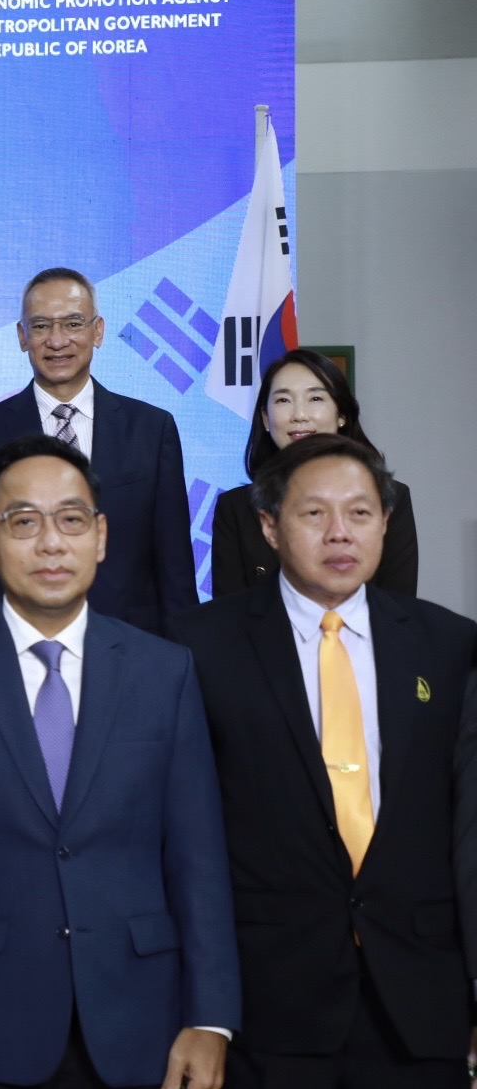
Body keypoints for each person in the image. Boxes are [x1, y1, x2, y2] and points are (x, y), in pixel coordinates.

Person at [0, 436, 238, 1089]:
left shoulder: (165, 671)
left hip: (142, 1021)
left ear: (100, 536)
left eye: (71, 520)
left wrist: (210, 1018)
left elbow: (199, 858)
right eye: (24, 522)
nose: (51, 543)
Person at [167, 434, 477, 1088]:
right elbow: (183, 837)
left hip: (422, 1004)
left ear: (385, 522)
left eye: (360, 513)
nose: (340, 532)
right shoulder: (198, 646)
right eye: (314, 513)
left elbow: (468, 832)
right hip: (269, 1006)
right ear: (269, 526)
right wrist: (203, 1009)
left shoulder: (448, 645)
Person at [0, 268, 197, 634]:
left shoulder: (151, 429)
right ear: (22, 336)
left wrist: (183, 653)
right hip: (18, 643)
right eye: (41, 326)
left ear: (98, 331)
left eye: (73, 324)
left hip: (131, 641)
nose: (57, 340)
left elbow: (175, 566)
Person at [209, 348, 419, 597]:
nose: (299, 415)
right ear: (265, 418)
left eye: (315, 398)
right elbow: (229, 612)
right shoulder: (235, 508)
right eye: (283, 400)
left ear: (341, 414)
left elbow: (397, 606)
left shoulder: (391, 497)